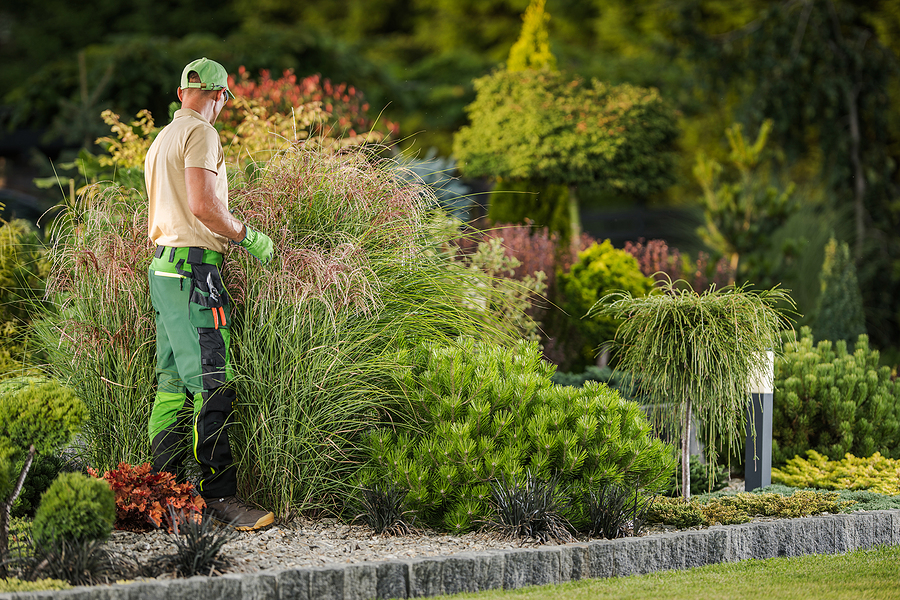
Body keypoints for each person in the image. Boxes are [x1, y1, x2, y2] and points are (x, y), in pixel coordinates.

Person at [144, 57, 275, 531]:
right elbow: (202, 205)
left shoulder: (160, 140)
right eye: (222, 100)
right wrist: (248, 236)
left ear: (182, 93)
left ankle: (164, 494)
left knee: (172, 384)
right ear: (219, 96)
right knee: (213, 382)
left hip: (164, 271)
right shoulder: (202, 133)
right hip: (196, 273)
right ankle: (218, 498)